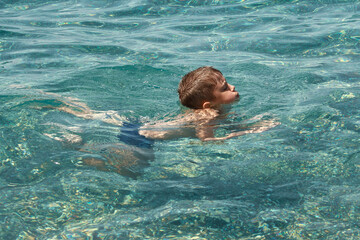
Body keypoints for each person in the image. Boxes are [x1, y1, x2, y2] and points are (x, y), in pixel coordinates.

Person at [139, 66, 279, 141]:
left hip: (143, 128)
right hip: (142, 138)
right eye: (225, 88)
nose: (233, 87)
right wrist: (249, 131)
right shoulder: (207, 116)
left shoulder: (216, 110)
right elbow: (207, 140)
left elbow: (229, 124)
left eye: (227, 83)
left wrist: (256, 125)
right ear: (208, 105)